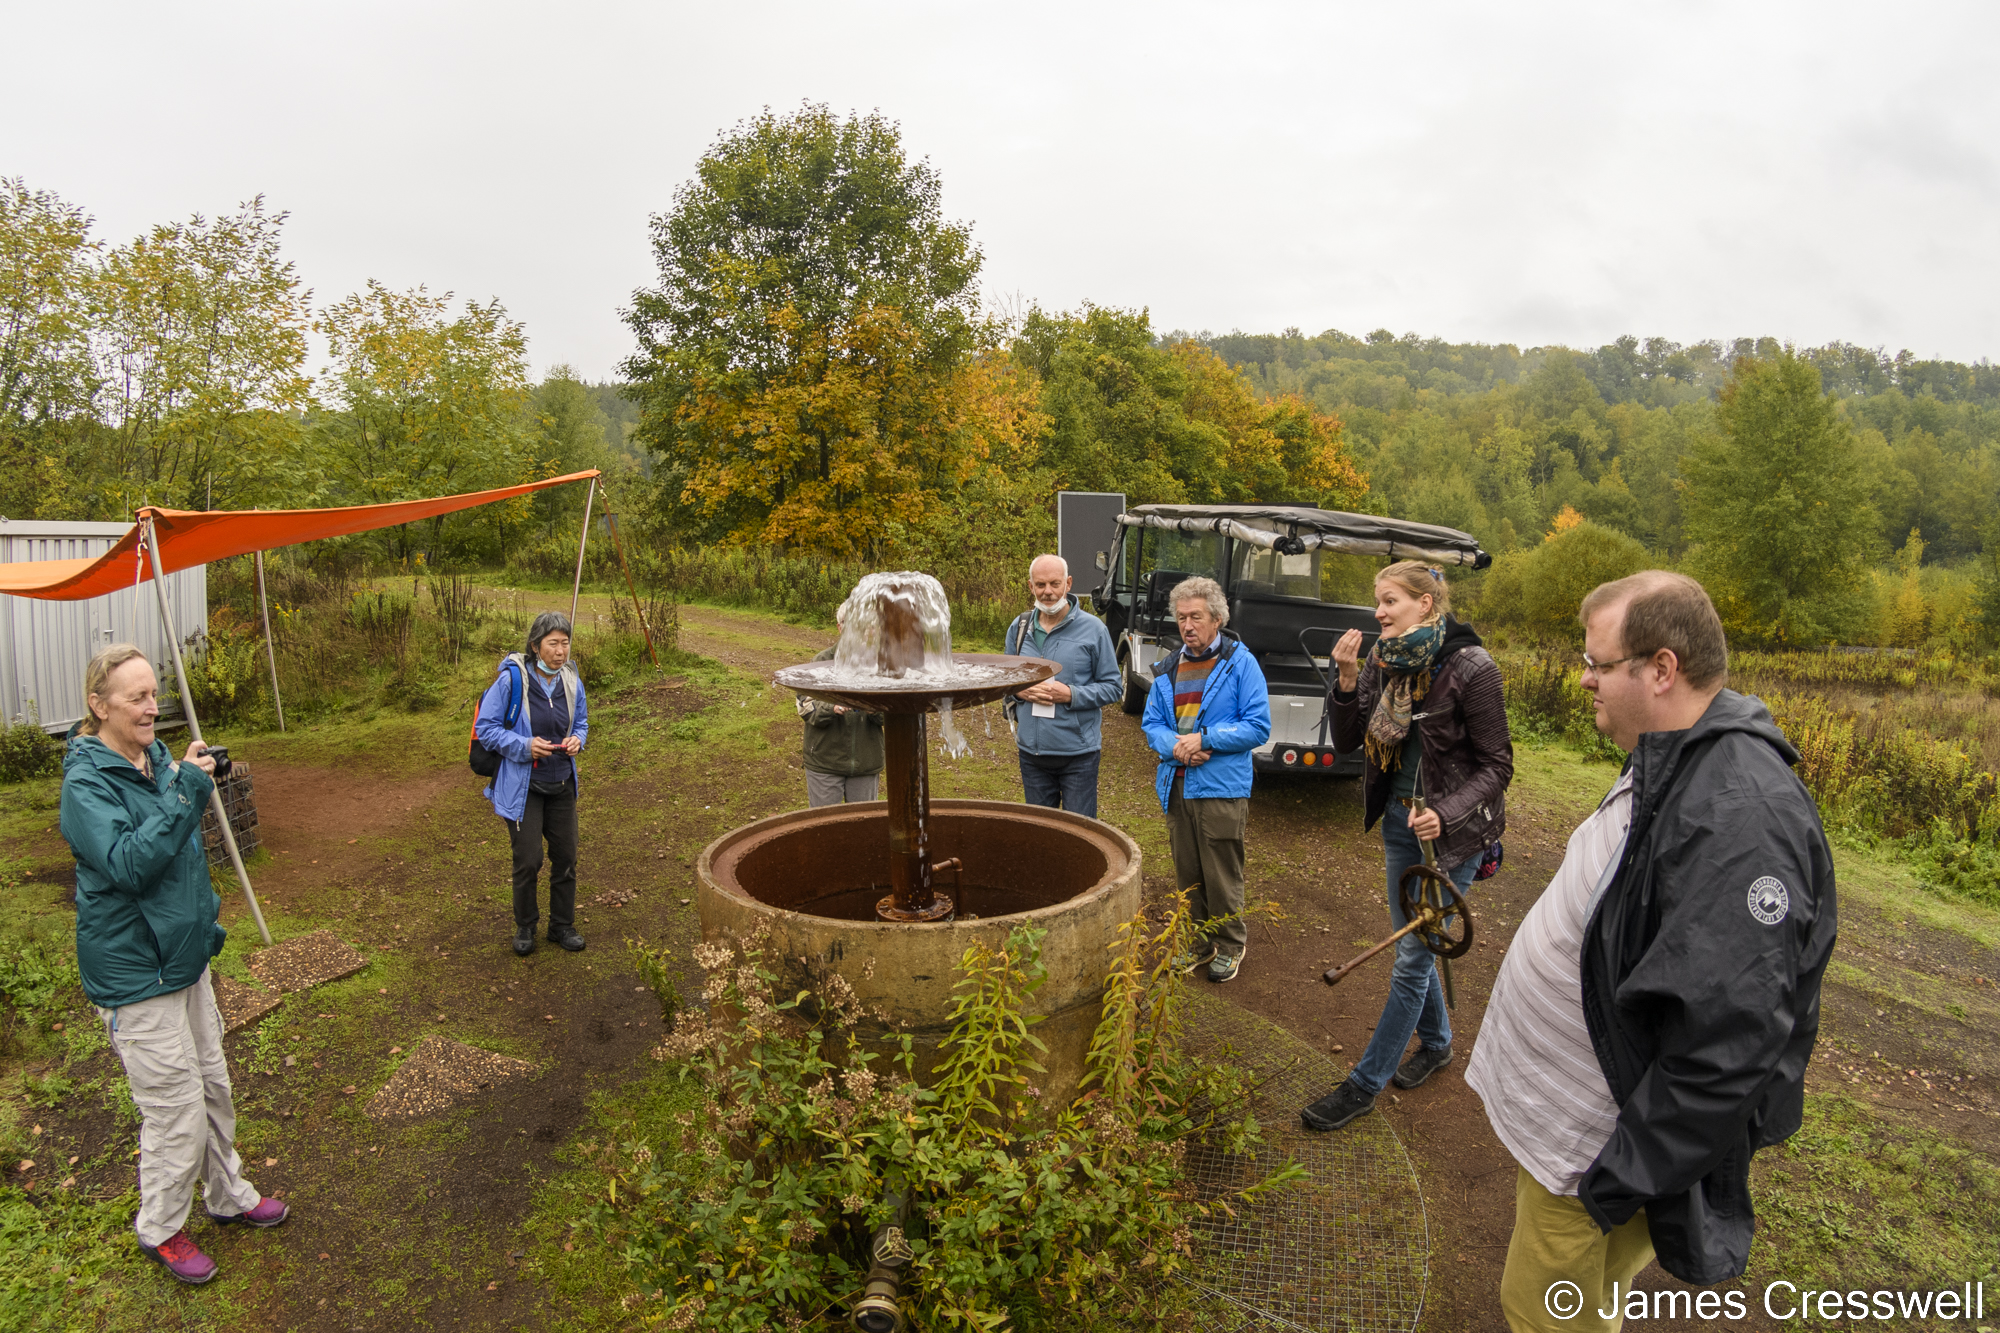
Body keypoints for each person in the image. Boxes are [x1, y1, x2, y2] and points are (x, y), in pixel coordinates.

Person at [1464, 572, 1836, 1333]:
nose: (1583, 675)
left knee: (1542, 1311)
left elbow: (1732, 1039)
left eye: (1599, 662)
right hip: (1587, 1135)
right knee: (1590, 1302)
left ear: (1661, 669)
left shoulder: (1738, 817)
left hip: (1595, 1153)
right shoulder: (1676, 758)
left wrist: (1621, 1177)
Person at [61, 645, 288, 1285]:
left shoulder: (158, 759)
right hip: (136, 973)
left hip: (185, 959)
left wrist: (205, 914)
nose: (151, 706)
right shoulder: (86, 785)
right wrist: (188, 787)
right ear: (97, 705)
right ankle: (160, 1227)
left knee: (213, 1084)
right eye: (135, 697)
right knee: (174, 1107)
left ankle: (226, 1195)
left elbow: (183, 854)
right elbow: (132, 864)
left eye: (153, 693)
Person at [1302, 561, 1511, 1132]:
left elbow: (1497, 765)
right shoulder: (1381, 660)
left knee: (1413, 958)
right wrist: (1344, 680)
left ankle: (1363, 1086)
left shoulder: (1472, 668)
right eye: (1377, 600)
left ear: (1426, 603)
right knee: (1416, 944)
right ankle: (1439, 1043)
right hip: (1399, 824)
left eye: (1389, 600)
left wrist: (1444, 813)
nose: (1378, 612)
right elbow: (1349, 743)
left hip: (1454, 836)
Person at [1140, 576, 1271, 983]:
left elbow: (1258, 726)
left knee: (1221, 871)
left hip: (1220, 787)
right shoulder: (1168, 666)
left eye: (1196, 616)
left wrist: (1206, 738)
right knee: (1187, 871)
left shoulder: (1240, 663)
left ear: (1217, 618)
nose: (1187, 625)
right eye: (1181, 618)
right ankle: (1196, 943)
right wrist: (1175, 746)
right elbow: (1152, 724)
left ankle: (1230, 946)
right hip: (1177, 782)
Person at [477, 611, 590, 957]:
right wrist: (525, 746)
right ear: (535, 646)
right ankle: (526, 925)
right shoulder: (512, 681)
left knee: (566, 857)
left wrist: (577, 741)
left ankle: (562, 926)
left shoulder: (571, 679)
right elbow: (486, 728)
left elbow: (581, 722)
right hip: (524, 787)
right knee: (528, 860)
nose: (561, 651)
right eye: (553, 643)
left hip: (561, 784)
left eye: (565, 643)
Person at [1003, 554, 1123, 819]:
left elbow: (1114, 687)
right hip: (1032, 754)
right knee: (1040, 836)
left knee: (1079, 836)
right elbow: (1005, 682)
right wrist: (1019, 691)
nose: (1048, 592)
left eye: (1054, 584)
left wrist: (1070, 694)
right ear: (1030, 586)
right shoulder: (1019, 628)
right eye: (1041, 585)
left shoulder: (1094, 630)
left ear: (1068, 584)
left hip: (1078, 756)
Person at [799, 606, 885, 806]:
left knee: (863, 828)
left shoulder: (880, 665)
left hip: (866, 763)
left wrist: (875, 709)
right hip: (824, 763)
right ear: (840, 627)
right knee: (825, 827)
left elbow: (896, 712)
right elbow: (805, 707)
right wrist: (832, 707)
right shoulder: (820, 662)